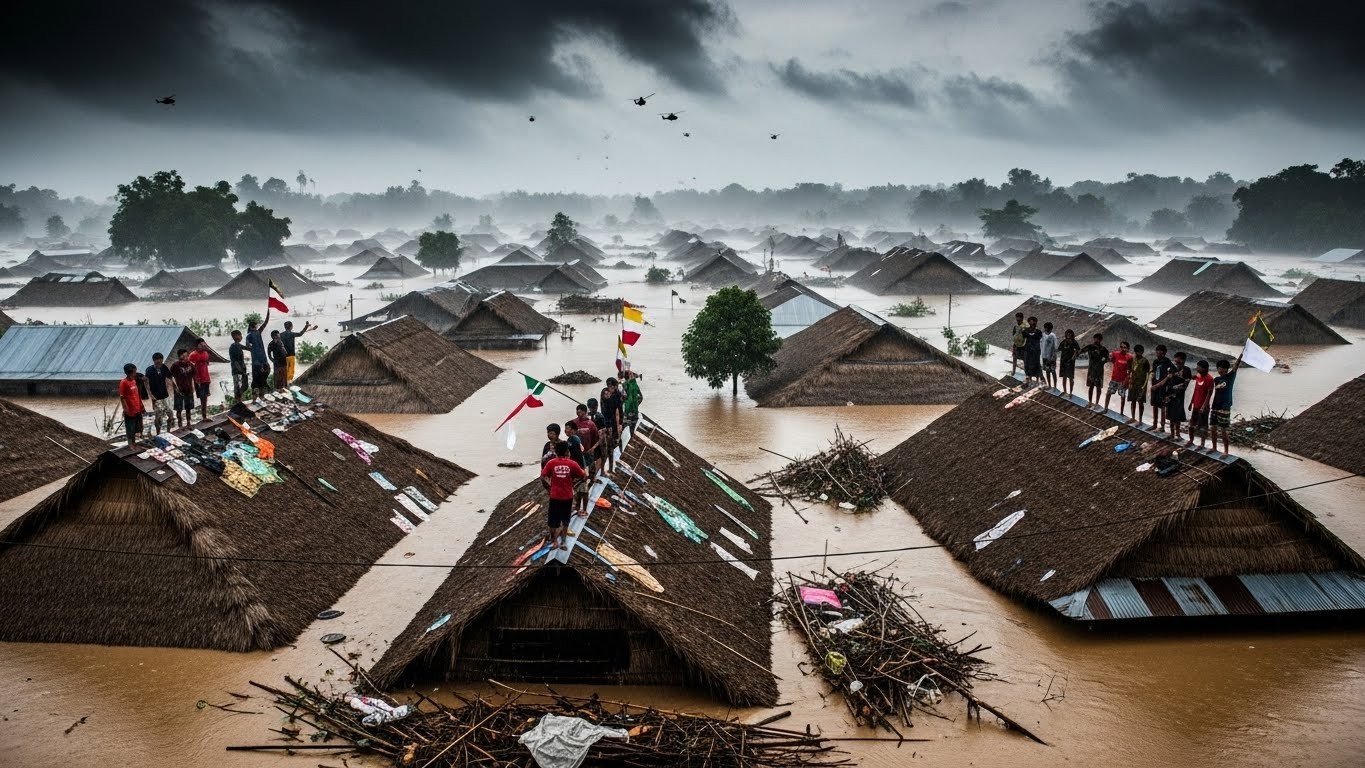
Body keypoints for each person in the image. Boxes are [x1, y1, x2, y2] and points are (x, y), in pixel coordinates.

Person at [541, 441, 586, 552]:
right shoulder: (572, 464)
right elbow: (584, 476)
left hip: (554, 496)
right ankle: (564, 542)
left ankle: (554, 541)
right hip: (567, 496)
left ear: (556, 451)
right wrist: (574, 485)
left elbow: (543, 476)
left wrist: (548, 488)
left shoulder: (551, 463)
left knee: (552, 520)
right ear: (567, 451)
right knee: (565, 520)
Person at [1210, 357, 1242, 457]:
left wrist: (1240, 357)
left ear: (1225, 369)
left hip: (1225, 407)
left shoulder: (1230, 377)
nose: (1220, 370)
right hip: (1215, 406)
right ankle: (1214, 447)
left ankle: (1226, 451)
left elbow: (1235, 367)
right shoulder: (1216, 379)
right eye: (1218, 368)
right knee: (1213, 428)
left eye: (1222, 368)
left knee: (1223, 430)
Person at [564, 420, 591, 515]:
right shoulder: (575, 439)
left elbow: (578, 454)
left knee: (583, 490)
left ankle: (584, 509)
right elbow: (581, 450)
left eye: (567, 428)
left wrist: (582, 470)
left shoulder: (572, 440)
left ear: (573, 430)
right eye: (565, 428)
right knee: (579, 489)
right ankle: (578, 506)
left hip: (580, 468)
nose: (565, 430)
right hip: (578, 467)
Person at [1078, 333, 1110, 408]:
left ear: (1101, 340)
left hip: (1099, 371)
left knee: (1098, 388)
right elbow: (1081, 351)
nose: (1096, 340)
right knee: (1091, 387)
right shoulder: (1090, 347)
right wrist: (1077, 352)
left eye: (1098, 339)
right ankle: (1090, 402)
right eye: (1095, 338)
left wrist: (1103, 360)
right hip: (1091, 370)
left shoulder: (1103, 350)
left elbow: (1107, 359)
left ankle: (1096, 403)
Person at [279, 320, 315, 387]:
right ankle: (289, 383)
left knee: (285, 370)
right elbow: (300, 333)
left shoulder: (280, 335)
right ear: (291, 327)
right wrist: (306, 326)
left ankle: (284, 384)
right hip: (291, 355)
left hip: (283, 355)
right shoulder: (292, 334)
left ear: (284, 327)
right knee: (291, 370)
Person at [144, 352, 173, 435]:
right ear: (153, 360)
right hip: (155, 397)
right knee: (158, 416)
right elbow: (146, 383)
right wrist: (151, 395)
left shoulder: (164, 367)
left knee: (170, 414)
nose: (159, 361)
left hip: (165, 395)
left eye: (160, 359)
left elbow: (170, 377)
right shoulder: (149, 370)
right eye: (157, 359)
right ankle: (158, 433)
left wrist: (175, 388)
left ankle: (169, 431)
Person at [1189, 359, 1215, 448]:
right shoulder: (1198, 376)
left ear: (1204, 368)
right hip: (1195, 405)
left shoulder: (1209, 379)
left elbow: (1209, 393)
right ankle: (1191, 441)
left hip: (1204, 407)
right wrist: (1191, 403)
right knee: (1191, 424)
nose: (1196, 368)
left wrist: (1204, 406)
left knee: (1203, 427)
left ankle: (1202, 444)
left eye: (1198, 367)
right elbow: (1195, 390)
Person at [599, 379, 625, 471]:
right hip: (605, 422)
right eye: (609, 386)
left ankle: (611, 467)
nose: (611, 389)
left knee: (612, 445)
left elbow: (620, 410)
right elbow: (602, 407)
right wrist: (607, 398)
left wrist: (620, 424)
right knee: (604, 448)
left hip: (613, 422)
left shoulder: (617, 394)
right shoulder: (604, 392)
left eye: (613, 387)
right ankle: (603, 468)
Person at [118, 362, 145, 447]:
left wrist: (141, 405)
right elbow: (122, 397)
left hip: (137, 408)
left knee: (139, 427)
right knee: (130, 429)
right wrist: (125, 409)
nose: (135, 373)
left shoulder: (134, 381)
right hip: (130, 410)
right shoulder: (124, 382)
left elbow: (137, 395)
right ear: (130, 372)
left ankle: (136, 443)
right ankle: (131, 445)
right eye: (134, 372)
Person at [1149, 345, 1175, 431]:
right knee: (1154, 405)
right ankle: (1154, 424)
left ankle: (1162, 426)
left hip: (1163, 387)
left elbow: (1171, 374)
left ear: (1164, 353)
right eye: (1157, 351)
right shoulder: (1155, 361)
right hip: (1155, 385)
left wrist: (1164, 383)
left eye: (1160, 351)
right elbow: (1154, 371)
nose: (1158, 353)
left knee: (1162, 406)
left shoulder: (1167, 362)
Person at [168, 348, 196, 428]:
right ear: (180, 356)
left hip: (189, 389)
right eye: (184, 355)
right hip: (179, 390)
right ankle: (180, 425)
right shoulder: (175, 365)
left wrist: (194, 386)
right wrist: (174, 387)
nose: (186, 357)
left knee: (188, 408)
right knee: (179, 409)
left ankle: (188, 423)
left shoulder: (190, 364)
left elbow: (194, 376)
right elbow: (170, 377)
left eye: (186, 355)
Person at [245, 314, 271, 400]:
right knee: (261, 378)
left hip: (257, 361)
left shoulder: (249, 335)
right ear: (254, 326)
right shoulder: (257, 332)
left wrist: (252, 348)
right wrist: (268, 315)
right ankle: (260, 396)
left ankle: (257, 397)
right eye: (256, 325)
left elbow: (247, 346)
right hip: (261, 360)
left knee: (257, 379)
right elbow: (265, 323)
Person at [1104, 340, 1134, 413]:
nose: (1123, 349)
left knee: (1122, 396)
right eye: (1121, 347)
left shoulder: (1129, 357)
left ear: (1128, 348)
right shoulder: (1115, 354)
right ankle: (1105, 408)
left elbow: (1130, 369)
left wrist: (1128, 379)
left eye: (1125, 347)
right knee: (1109, 393)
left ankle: (1121, 412)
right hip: (1114, 378)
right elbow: (1112, 360)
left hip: (1123, 380)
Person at [188, 337, 213, 423]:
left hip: (206, 378)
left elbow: (207, 364)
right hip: (199, 380)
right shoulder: (193, 355)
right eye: (201, 345)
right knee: (202, 397)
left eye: (204, 344)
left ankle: (204, 416)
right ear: (197, 345)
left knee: (205, 397)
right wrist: (195, 379)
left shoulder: (206, 353)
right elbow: (190, 368)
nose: (203, 346)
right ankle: (203, 417)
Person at [1165, 362, 1191, 441]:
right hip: (1170, 395)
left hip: (1179, 396)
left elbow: (1186, 383)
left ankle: (1178, 434)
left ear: (1182, 360)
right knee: (1171, 415)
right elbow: (1168, 380)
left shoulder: (1186, 370)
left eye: (1178, 359)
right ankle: (1172, 434)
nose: (1176, 360)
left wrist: (1178, 388)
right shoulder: (1171, 368)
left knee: (1178, 415)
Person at [1126, 344, 1150, 425]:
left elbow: (1147, 375)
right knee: (1133, 401)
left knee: (1140, 402)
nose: (1138, 353)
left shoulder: (1145, 361)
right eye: (1136, 352)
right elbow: (1129, 370)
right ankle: (1133, 418)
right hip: (1133, 383)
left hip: (1141, 384)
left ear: (1142, 352)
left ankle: (1140, 420)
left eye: (1139, 352)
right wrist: (1129, 381)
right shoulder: (1132, 360)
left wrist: (1144, 386)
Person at [1020, 316, 1043, 385]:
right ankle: (1029, 378)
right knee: (1027, 364)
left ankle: (1037, 379)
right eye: (1030, 322)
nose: (1032, 324)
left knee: (1036, 364)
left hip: (1036, 351)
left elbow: (1040, 340)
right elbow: (1023, 337)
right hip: (1028, 350)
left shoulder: (1038, 332)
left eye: (1033, 323)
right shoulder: (1026, 331)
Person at [228, 329, 248, 401]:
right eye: (240, 335)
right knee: (238, 387)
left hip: (240, 370)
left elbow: (248, 348)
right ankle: (238, 402)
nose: (241, 337)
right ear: (235, 337)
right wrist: (241, 371)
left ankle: (239, 401)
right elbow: (235, 361)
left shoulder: (238, 345)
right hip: (237, 371)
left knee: (242, 386)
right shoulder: (234, 346)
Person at [1058, 329, 1079, 396]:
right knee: (1064, 377)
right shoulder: (1064, 342)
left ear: (1072, 334)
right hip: (1063, 361)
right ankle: (1065, 391)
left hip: (1071, 362)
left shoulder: (1074, 342)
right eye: (1067, 334)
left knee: (1070, 378)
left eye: (1070, 334)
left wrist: (1074, 355)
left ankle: (1070, 392)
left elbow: (1078, 350)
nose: (1068, 335)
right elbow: (1058, 349)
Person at [1040, 322, 1059, 390]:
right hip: (1044, 356)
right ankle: (1049, 385)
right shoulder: (1043, 335)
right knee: (1047, 371)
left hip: (1051, 357)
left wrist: (1053, 356)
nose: (1045, 329)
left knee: (1053, 371)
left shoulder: (1053, 336)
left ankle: (1055, 386)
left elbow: (1055, 347)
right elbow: (1041, 345)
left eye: (1046, 328)